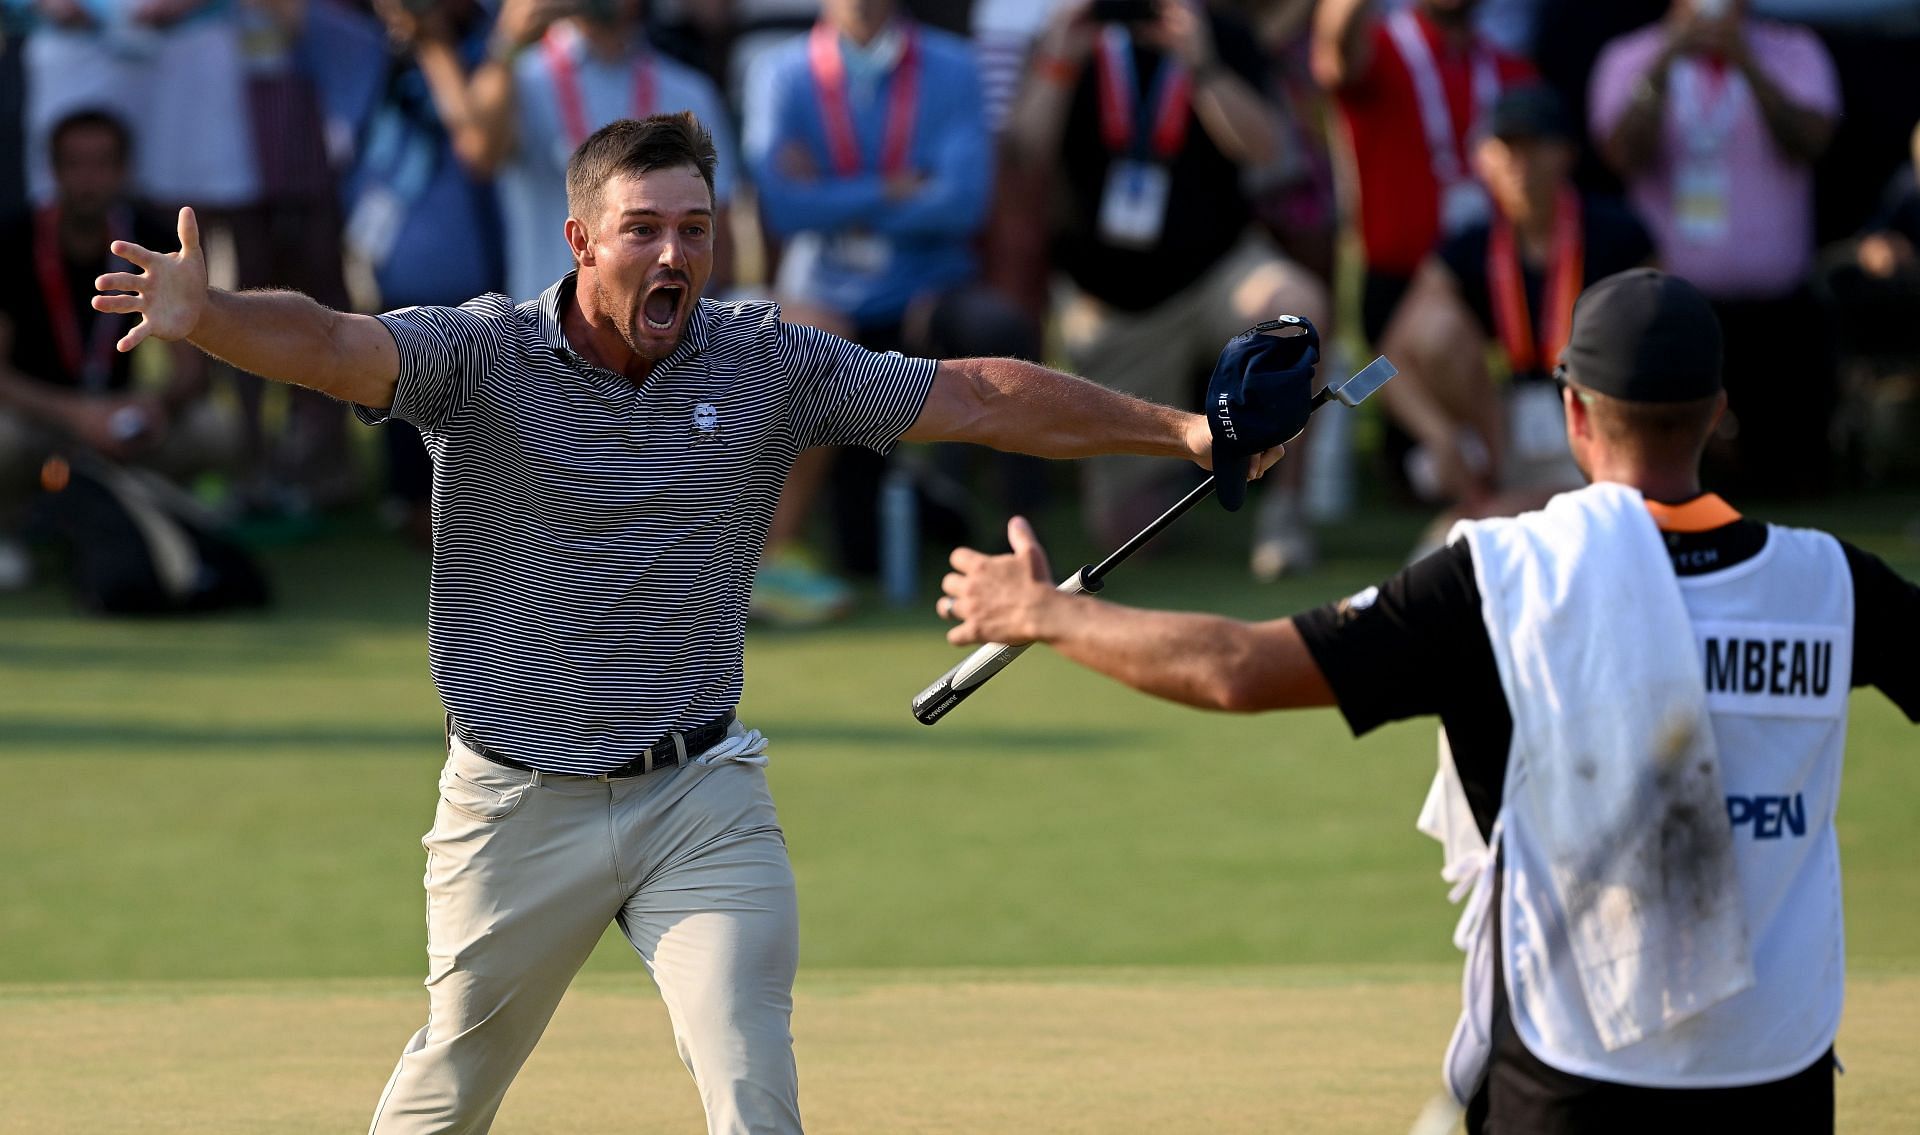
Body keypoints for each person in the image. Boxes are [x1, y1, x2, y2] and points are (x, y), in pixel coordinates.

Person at [93, 111, 1287, 1135]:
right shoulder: (478, 356)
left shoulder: (766, 362)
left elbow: (974, 393)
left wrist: (1186, 432)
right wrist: (212, 317)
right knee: (446, 1094)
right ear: (580, 242)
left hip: (697, 797)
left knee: (754, 1094)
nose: (677, 253)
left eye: (697, 230)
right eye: (645, 230)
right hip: (514, 809)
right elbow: (333, 343)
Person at [936, 269, 1920, 1133]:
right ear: (1716, 410)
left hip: (1572, 1075)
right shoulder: (1834, 583)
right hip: (1779, 1077)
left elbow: (1237, 668)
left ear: (1573, 412)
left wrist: (1043, 614)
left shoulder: (1498, 575)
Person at [1006, 0, 1327, 579]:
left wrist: (1202, 67)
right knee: (1127, 533)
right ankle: (1190, 458)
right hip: (1111, 307)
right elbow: (1025, 152)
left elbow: (1267, 148)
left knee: (1294, 310)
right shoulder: (1066, 34)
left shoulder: (1222, 31)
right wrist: (1058, 61)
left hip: (1217, 273)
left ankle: (1286, 513)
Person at [745, 0, 1039, 609]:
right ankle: (773, 557)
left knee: (1003, 330)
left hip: (931, 295)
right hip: (830, 300)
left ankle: (1024, 541)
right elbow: (781, 206)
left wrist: (830, 192)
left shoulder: (954, 66)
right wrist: (896, 184)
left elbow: (964, 202)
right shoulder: (783, 72)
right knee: (863, 547)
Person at [1589, 0, 1839, 495]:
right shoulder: (1630, 56)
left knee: (1788, 474)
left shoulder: (1794, 50)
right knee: (1674, 478)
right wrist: (1663, 65)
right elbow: (1622, 155)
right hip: (1673, 308)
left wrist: (1747, 62)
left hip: (1775, 313)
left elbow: (1812, 140)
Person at [1377, 84, 1653, 532]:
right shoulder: (1467, 245)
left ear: (1564, 153)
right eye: (1505, 148)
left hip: (1596, 414)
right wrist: (1437, 434)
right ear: (1482, 159)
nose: (1518, 163)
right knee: (1435, 330)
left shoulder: (1620, 236)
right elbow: (1387, 363)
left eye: (1534, 147)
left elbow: (1671, 337)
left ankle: (1511, 511)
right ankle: (1498, 496)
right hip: (1502, 423)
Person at [0, 109, 235, 588]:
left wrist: (154, 406)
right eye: (75, 164)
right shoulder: (14, 239)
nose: (89, 179)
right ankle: (12, 528)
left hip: (121, 420)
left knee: (215, 429)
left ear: (124, 171)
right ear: (54, 170)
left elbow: (191, 367)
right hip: (38, 415)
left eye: (103, 163)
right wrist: (76, 415)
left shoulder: (150, 238)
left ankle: (162, 519)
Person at [434, 0, 742, 303]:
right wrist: (507, 44)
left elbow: (720, 240)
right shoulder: (521, 79)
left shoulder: (690, 92)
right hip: (546, 331)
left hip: (663, 330)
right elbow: (477, 155)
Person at [1312, 0, 1534, 348]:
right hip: (1397, 283)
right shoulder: (1380, 49)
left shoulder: (1510, 70)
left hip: (1492, 280)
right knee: (1389, 380)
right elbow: (1333, 53)